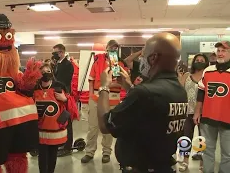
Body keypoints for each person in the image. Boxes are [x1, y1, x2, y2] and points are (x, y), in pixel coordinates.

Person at [97, 32, 188, 173]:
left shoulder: (144, 93)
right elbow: (149, 113)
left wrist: (103, 87)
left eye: (143, 56)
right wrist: (129, 86)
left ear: (153, 58)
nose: (141, 60)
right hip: (163, 165)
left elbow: (104, 125)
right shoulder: (179, 91)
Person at [0, 14, 42, 173]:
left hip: (19, 124)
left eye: (8, 36)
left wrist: (29, 82)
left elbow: (24, 90)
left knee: (17, 156)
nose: (4, 42)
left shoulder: (14, 73)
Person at [81, 40, 125, 164]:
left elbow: (122, 82)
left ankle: (106, 152)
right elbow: (91, 79)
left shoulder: (119, 63)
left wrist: (109, 84)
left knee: (109, 127)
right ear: (106, 48)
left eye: (115, 48)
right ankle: (89, 152)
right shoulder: (97, 61)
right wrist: (90, 95)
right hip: (96, 97)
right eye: (111, 47)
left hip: (113, 98)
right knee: (93, 126)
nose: (113, 50)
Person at [193, 41, 230, 173]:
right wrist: (197, 112)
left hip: (228, 119)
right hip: (208, 118)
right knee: (207, 152)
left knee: (227, 154)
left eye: (224, 50)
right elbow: (201, 93)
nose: (220, 53)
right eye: (218, 51)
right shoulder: (208, 71)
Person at [34, 63, 78, 173]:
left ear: (52, 72)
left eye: (48, 71)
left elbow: (72, 110)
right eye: (42, 72)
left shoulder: (59, 86)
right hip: (40, 130)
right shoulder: (34, 88)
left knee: (53, 155)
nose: (45, 74)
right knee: (42, 156)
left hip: (55, 129)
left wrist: (65, 99)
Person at [178, 53, 209, 172]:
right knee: (186, 138)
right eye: (197, 60)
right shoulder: (187, 75)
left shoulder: (208, 76)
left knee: (202, 139)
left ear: (206, 63)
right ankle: (185, 161)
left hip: (204, 113)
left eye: (202, 60)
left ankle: (202, 163)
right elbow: (179, 89)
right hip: (187, 112)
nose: (199, 61)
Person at [51, 44, 75, 157]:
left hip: (64, 95)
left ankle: (68, 146)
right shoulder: (57, 64)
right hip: (57, 94)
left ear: (61, 52)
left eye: (55, 53)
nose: (54, 55)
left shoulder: (67, 65)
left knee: (67, 119)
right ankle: (62, 142)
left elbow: (64, 81)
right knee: (60, 120)